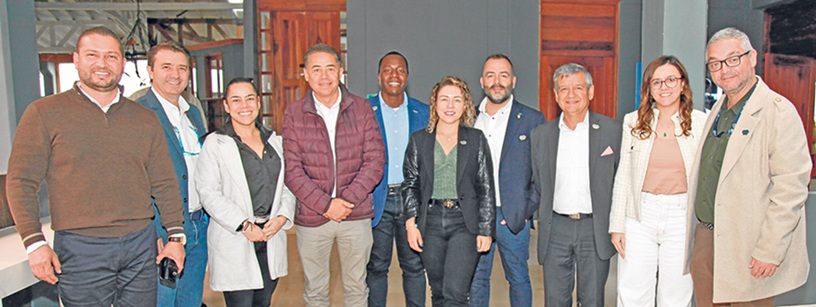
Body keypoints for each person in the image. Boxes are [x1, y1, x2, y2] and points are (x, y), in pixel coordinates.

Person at [5, 26, 185, 305]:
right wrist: (34, 242)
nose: (102, 64)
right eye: (92, 55)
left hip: (140, 245)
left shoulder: (144, 118)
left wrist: (175, 236)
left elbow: (164, 181)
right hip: (80, 248)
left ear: (122, 64)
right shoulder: (44, 113)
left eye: (111, 56)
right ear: (76, 59)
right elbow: (20, 181)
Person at [686, 27, 811, 306]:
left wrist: (770, 250)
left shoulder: (779, 112)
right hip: (708, 237)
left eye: (733, 59)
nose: (724, 70)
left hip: (750, 244)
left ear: (752, 57)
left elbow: (790, 189)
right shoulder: (717, 112)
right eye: (715, 64)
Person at [282, 43, 385, 307]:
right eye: (316, 69)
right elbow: (293, 170)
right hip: (312, 217)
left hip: (355, 214)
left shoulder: (362, 109)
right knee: (315, 292)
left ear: (341, 71)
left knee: (356, 289)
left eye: (330, 68)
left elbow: (375, 161)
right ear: (305, 74)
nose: (324, 76)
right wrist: (326, 205)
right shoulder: (294, 113)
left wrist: (345, 202)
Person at [609, 55, 706, 306]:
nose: (665, 87)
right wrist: (617, 224)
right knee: (632, 293)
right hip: (640, 215)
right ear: (649, 89)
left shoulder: (700, 122)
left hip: (681, 217)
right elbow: (624, 176)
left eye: (671, 80)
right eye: (657, 82)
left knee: (676, 293)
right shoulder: (634, 121)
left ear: (683, 84)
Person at [196, 78, 296, 306]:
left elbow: (287, 186)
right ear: (226, 106)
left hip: (269, 236)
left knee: (263, 302)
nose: (244, 105)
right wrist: (243, 225)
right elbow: (208, 192)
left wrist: (282, 217)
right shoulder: (215, 143)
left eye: (250, 98)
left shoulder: (275, 142)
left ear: (259, 103)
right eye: (236, 100)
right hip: (237, 237)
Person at [531, 63, 621, 307]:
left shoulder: (614, 131)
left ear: (590, 92)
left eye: (578, 88)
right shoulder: (541, 135)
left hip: (594, 228)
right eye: (564, 89)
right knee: (555, 301)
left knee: (592, 300)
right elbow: (539, 182)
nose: (571, 95)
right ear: (556, 95)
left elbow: (620, 180)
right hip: (555, 228)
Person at [403, 76, 496, 307]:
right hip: (430, 222)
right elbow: (411, 184)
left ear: (465, 105)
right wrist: (410, 224)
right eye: (444, 99)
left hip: (464, 223)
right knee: (439, 292)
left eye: (457, 100)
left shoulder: (475, 139)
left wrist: (486, 229)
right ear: (435, 103)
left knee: (456, 293)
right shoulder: (419, 140)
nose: (450, 106)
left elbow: (485, 186)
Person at [134, 41, 209, 307]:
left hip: (199, 224)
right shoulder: (138, 113)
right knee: (162, 301)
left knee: (190, 300)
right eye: (166, 67)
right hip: (162, 229)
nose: (175, 75)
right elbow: (134, 179)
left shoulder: (194, 115)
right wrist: (151, 232)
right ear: (150, 71)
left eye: (182, 68)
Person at [469, 54, 545, 307]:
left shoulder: (532, 120)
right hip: (476, 216)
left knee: (519, 278)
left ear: (513, 80)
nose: (497, 82)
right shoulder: (469, 119)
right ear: (482, 81)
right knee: (476, 279)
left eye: (503, 75)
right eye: (491, 75)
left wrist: (523, 211)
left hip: (512, 219)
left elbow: (540, 173)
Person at [366, 51, 429, 307]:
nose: (394, 75)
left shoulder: (423, 112)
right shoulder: (364, 111)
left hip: (410, 201)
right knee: (376, 267)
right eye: (388, 70)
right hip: (377, 199)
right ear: (379, 76)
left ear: (407, 76)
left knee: (414, 266)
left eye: (400, 70)